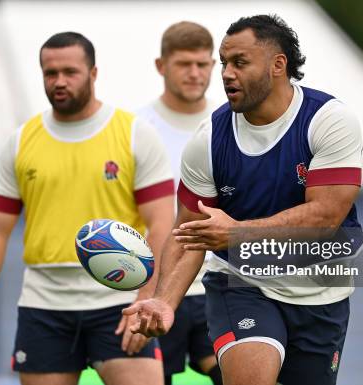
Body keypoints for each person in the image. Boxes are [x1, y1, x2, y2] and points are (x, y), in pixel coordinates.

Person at [124, 14, 363, 385]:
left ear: (277, 65)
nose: (225, 73)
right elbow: (188, 233)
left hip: (321, 293)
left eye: (239, 62)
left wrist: (237, 233)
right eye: (223, 63)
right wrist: (163, 300)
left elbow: (325, 217)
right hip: (240, 286)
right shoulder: (207, 141)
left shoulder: (328, 120)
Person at [0, 32, 174, 385]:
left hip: (120, 301)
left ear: (93, 74)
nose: (59, 81)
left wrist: (146, 300)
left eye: (70, 72)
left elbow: (162, 224)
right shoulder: (21, 142)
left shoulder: (134, 134)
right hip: (44, 303)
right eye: (50, 73)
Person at [136, 21, 222, 385]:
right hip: (155, 289)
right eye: (184, 64)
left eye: (203, 65)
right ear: (161, 66)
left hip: (218, 286)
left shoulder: (229, 125)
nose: (194, 73)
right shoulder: (136, 128)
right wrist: (144, 289)